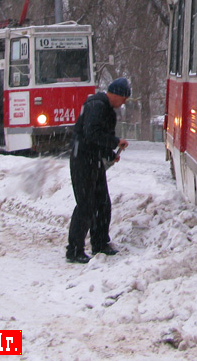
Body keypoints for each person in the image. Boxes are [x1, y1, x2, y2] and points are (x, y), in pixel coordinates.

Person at [66, 78, 130, 264]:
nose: (123, 103)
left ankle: (100, 242)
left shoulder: (106, 109)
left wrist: (110, 154)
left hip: (93, 160)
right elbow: (91, 133)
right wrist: (114, 142)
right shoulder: (96, 105)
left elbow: (98, 138)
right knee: (86, 205)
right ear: (116, 94)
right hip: (82, 160)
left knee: (102, 202)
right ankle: (74, 249)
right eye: (123, 99)